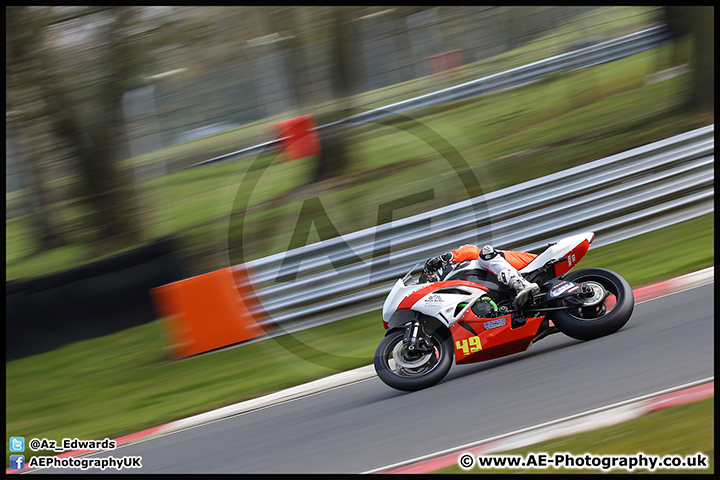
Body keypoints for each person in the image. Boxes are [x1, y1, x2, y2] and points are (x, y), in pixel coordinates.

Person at [420, 244, 540, 305]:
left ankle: (520, 284)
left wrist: (446, 258)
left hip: (528, 265)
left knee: (484, 255)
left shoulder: (464, 264)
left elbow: (471, 250)